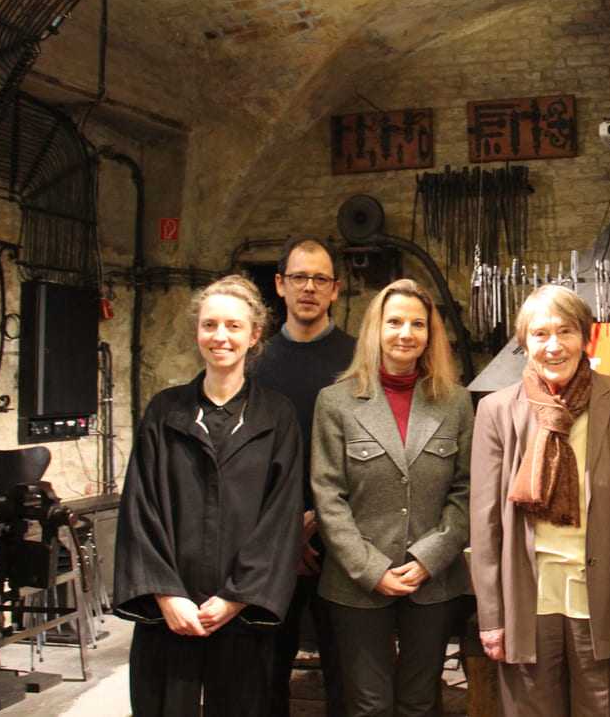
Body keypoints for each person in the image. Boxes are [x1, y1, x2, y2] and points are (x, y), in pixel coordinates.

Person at [114, 275, 303, 716]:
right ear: (197, 330)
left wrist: (237, 596)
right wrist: (166, 595)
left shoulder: (277, 417)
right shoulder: (165, 412)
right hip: (171, 615)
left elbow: (281, 517)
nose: (220, 337)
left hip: (241, 613)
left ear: (255, 335)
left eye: (234, 326)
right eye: (210, 325)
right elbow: (140, 509)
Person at [470, 284, 610, 716]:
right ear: (523, 343)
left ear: (585, 336)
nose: (554, 346)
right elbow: (485, 522)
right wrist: (492, 616)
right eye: (539, 334)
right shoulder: (497, 411)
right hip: (527, 603)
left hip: (607, 600)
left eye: (566, 331)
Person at [310, 279, 472, 717]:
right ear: (375, 329)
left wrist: (428, 558)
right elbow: (328, 496)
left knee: (421, 702)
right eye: (395, 321)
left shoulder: (455, 402)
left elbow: (466, 491)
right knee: (369, 704)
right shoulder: (336, 402)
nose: (406, 333)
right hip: (356, 582)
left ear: (429, 334)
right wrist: (371, 568)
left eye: (417, 324)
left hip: (432, 581)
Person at [253, 236, 355, 715]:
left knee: (349, 677)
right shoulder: (255, 363)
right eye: (299, 277)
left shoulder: (361, 362)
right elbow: (247, 461)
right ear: (280, 285)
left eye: (319, 279)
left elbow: (369, 454)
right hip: (270, 544)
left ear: (335, 289)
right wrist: (286, 526)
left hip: (347, 541)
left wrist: (321, 519)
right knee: (267, 674)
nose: (308, 288)